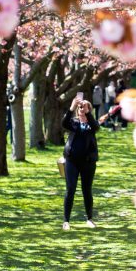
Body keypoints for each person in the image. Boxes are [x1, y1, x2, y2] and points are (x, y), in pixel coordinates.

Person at [61, 95, 99, 230]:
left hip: (88, 162)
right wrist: (71, 107)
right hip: (72, 161)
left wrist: (88, 113)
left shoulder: (91, 124)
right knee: (70, 189)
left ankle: (89, 218)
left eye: (85, 107)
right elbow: (64, 123)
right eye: (80, 107)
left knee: (86, 190)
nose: (82, 109)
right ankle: (66, 221)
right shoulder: (73, 122)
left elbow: (96, 127)